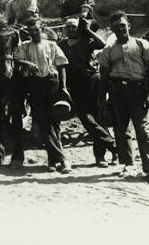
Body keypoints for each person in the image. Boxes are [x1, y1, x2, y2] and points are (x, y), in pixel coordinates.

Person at [98, 11, 149, 185]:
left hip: (138, 91)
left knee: (143, 131)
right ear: (112, 28)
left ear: (129, 26)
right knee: (121, 130)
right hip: (117, 91)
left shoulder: (142, 44)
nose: (120, 29)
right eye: (116, 26)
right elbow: (104, 76)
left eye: (123, 25)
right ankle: (128, 164)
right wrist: (102, 99)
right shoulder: (108, 50)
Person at [13, 19, 72, 173]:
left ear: (42, 29)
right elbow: (15, 58)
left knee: (55, 122)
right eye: (30, 32)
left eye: (36, 31)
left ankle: (52, 161)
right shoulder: (24, 46)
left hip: (52, 83)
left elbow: (62, 66)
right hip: (34, 85)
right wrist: (27, 63)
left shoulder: (51, 45)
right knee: (42, 122)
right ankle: (63, 159)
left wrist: (64, 88)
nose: (33, 34)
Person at [58, 18, 117, 167]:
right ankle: (113, 145)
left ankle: (100, 157)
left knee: (98, 117)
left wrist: (87, 30)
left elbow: (102, 44)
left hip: (93, 80)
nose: (71, 29)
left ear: (79, 29)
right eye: (68, 27)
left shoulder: (87, 41)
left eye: (74, 27)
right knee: (85, 118)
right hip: (76, 85)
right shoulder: (61, 45)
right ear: (64, 30)